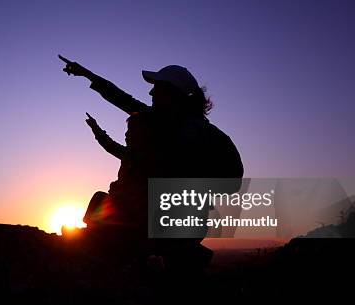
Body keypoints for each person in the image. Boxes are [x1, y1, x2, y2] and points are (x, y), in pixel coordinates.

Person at [59, 55, 243, 264]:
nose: (151, 92)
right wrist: (87, 74)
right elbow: (122, 98)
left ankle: (177, 251)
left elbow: (233, 179)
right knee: (101, 201)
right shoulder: (160, 120)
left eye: (158, 88)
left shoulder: (204, 135)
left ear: (173, 94)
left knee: (117, 214)